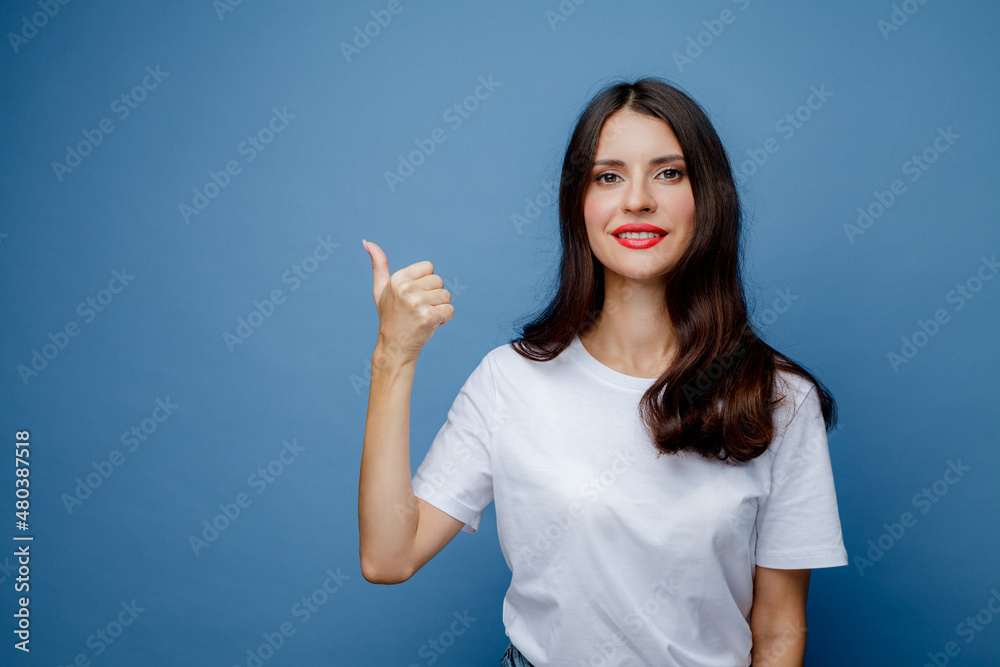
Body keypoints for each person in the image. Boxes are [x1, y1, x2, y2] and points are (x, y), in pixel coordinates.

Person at [358, 76, 848, 667]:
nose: (637, 199)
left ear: (708, 198)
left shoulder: (777, 397)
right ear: (578, 204)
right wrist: (394, 356)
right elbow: (388, 558)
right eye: (608, 176)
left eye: (669, 173)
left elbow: (777, 630)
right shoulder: (508, 380)